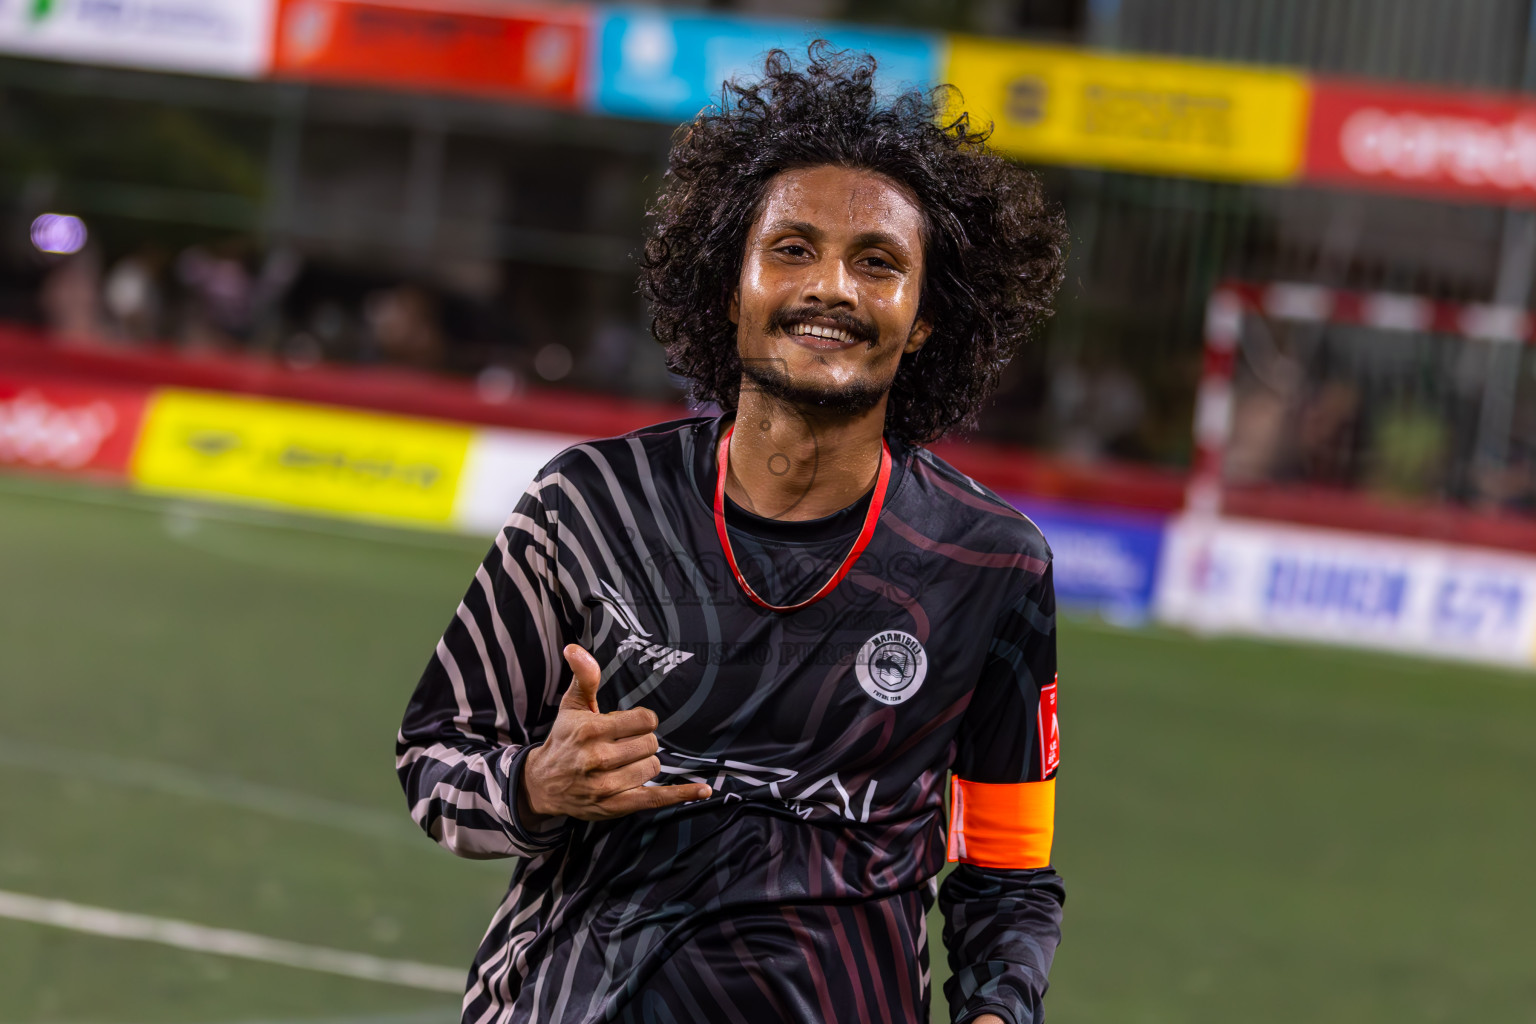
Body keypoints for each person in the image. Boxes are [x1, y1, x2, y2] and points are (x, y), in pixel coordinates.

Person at [397, 45, 1068, 1024]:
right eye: (791, 248)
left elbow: (1008, 870)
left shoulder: (992, 566)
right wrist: (537, 783)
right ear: (730, 284)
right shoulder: (586, 504)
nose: (832, 286)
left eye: (877, 262)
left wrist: (999, 1010)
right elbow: (434, 751)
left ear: (925, 319)